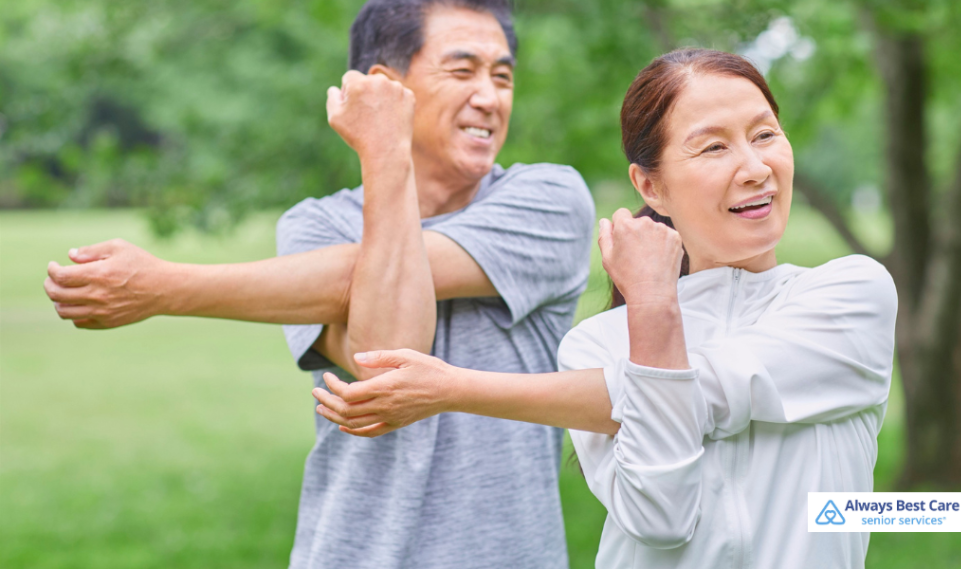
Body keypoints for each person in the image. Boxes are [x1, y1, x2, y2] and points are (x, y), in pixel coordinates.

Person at [44, 1, 593, 568]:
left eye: (502, 76)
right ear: (384, 87)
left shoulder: (550, 201)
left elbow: (364, 300)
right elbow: (385, 358)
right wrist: (386, 150)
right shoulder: (316, 224)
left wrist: (164, 286)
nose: (490, 97)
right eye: (463, 70)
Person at [309, 48, 898, 569]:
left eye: (765, 134)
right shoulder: (598, 345)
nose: (755, 167)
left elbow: (718, 386)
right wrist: (652, 308)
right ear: (651, 187)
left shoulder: (851, 294)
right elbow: (661, 518)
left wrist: (455, 388)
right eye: (715, 146)